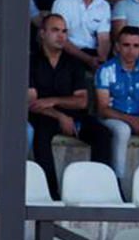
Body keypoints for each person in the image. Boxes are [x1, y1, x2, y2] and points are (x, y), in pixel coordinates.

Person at [29, 12, 114, 198]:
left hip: (73, 115)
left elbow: (82, 100)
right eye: (55, 30)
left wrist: (54, 101)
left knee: (103, 134)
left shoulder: (73, 62)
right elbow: (33, 104)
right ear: (42, 33)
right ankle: (50, 193)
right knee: (41, 135)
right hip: (45, 116)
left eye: (64, 31)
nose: (61, 36)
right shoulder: (31, 61)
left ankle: (97, 191)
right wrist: (60, 115)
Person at [94, 25, 139, 184]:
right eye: (126, 45)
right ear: (117, 47)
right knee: (122, 130)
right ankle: (117, 181)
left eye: (136, 46)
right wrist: (131, 120)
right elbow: (103, 109)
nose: (131, 50)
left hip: (138, 118)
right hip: (114, 118)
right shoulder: (107, 70)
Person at [52, 0, 113, 70]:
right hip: (67, 52)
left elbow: (104, 39)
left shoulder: (104, 5)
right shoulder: (63, 2)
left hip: (91, 52)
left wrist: (102, 59)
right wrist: (88, 59)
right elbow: (61, 38)